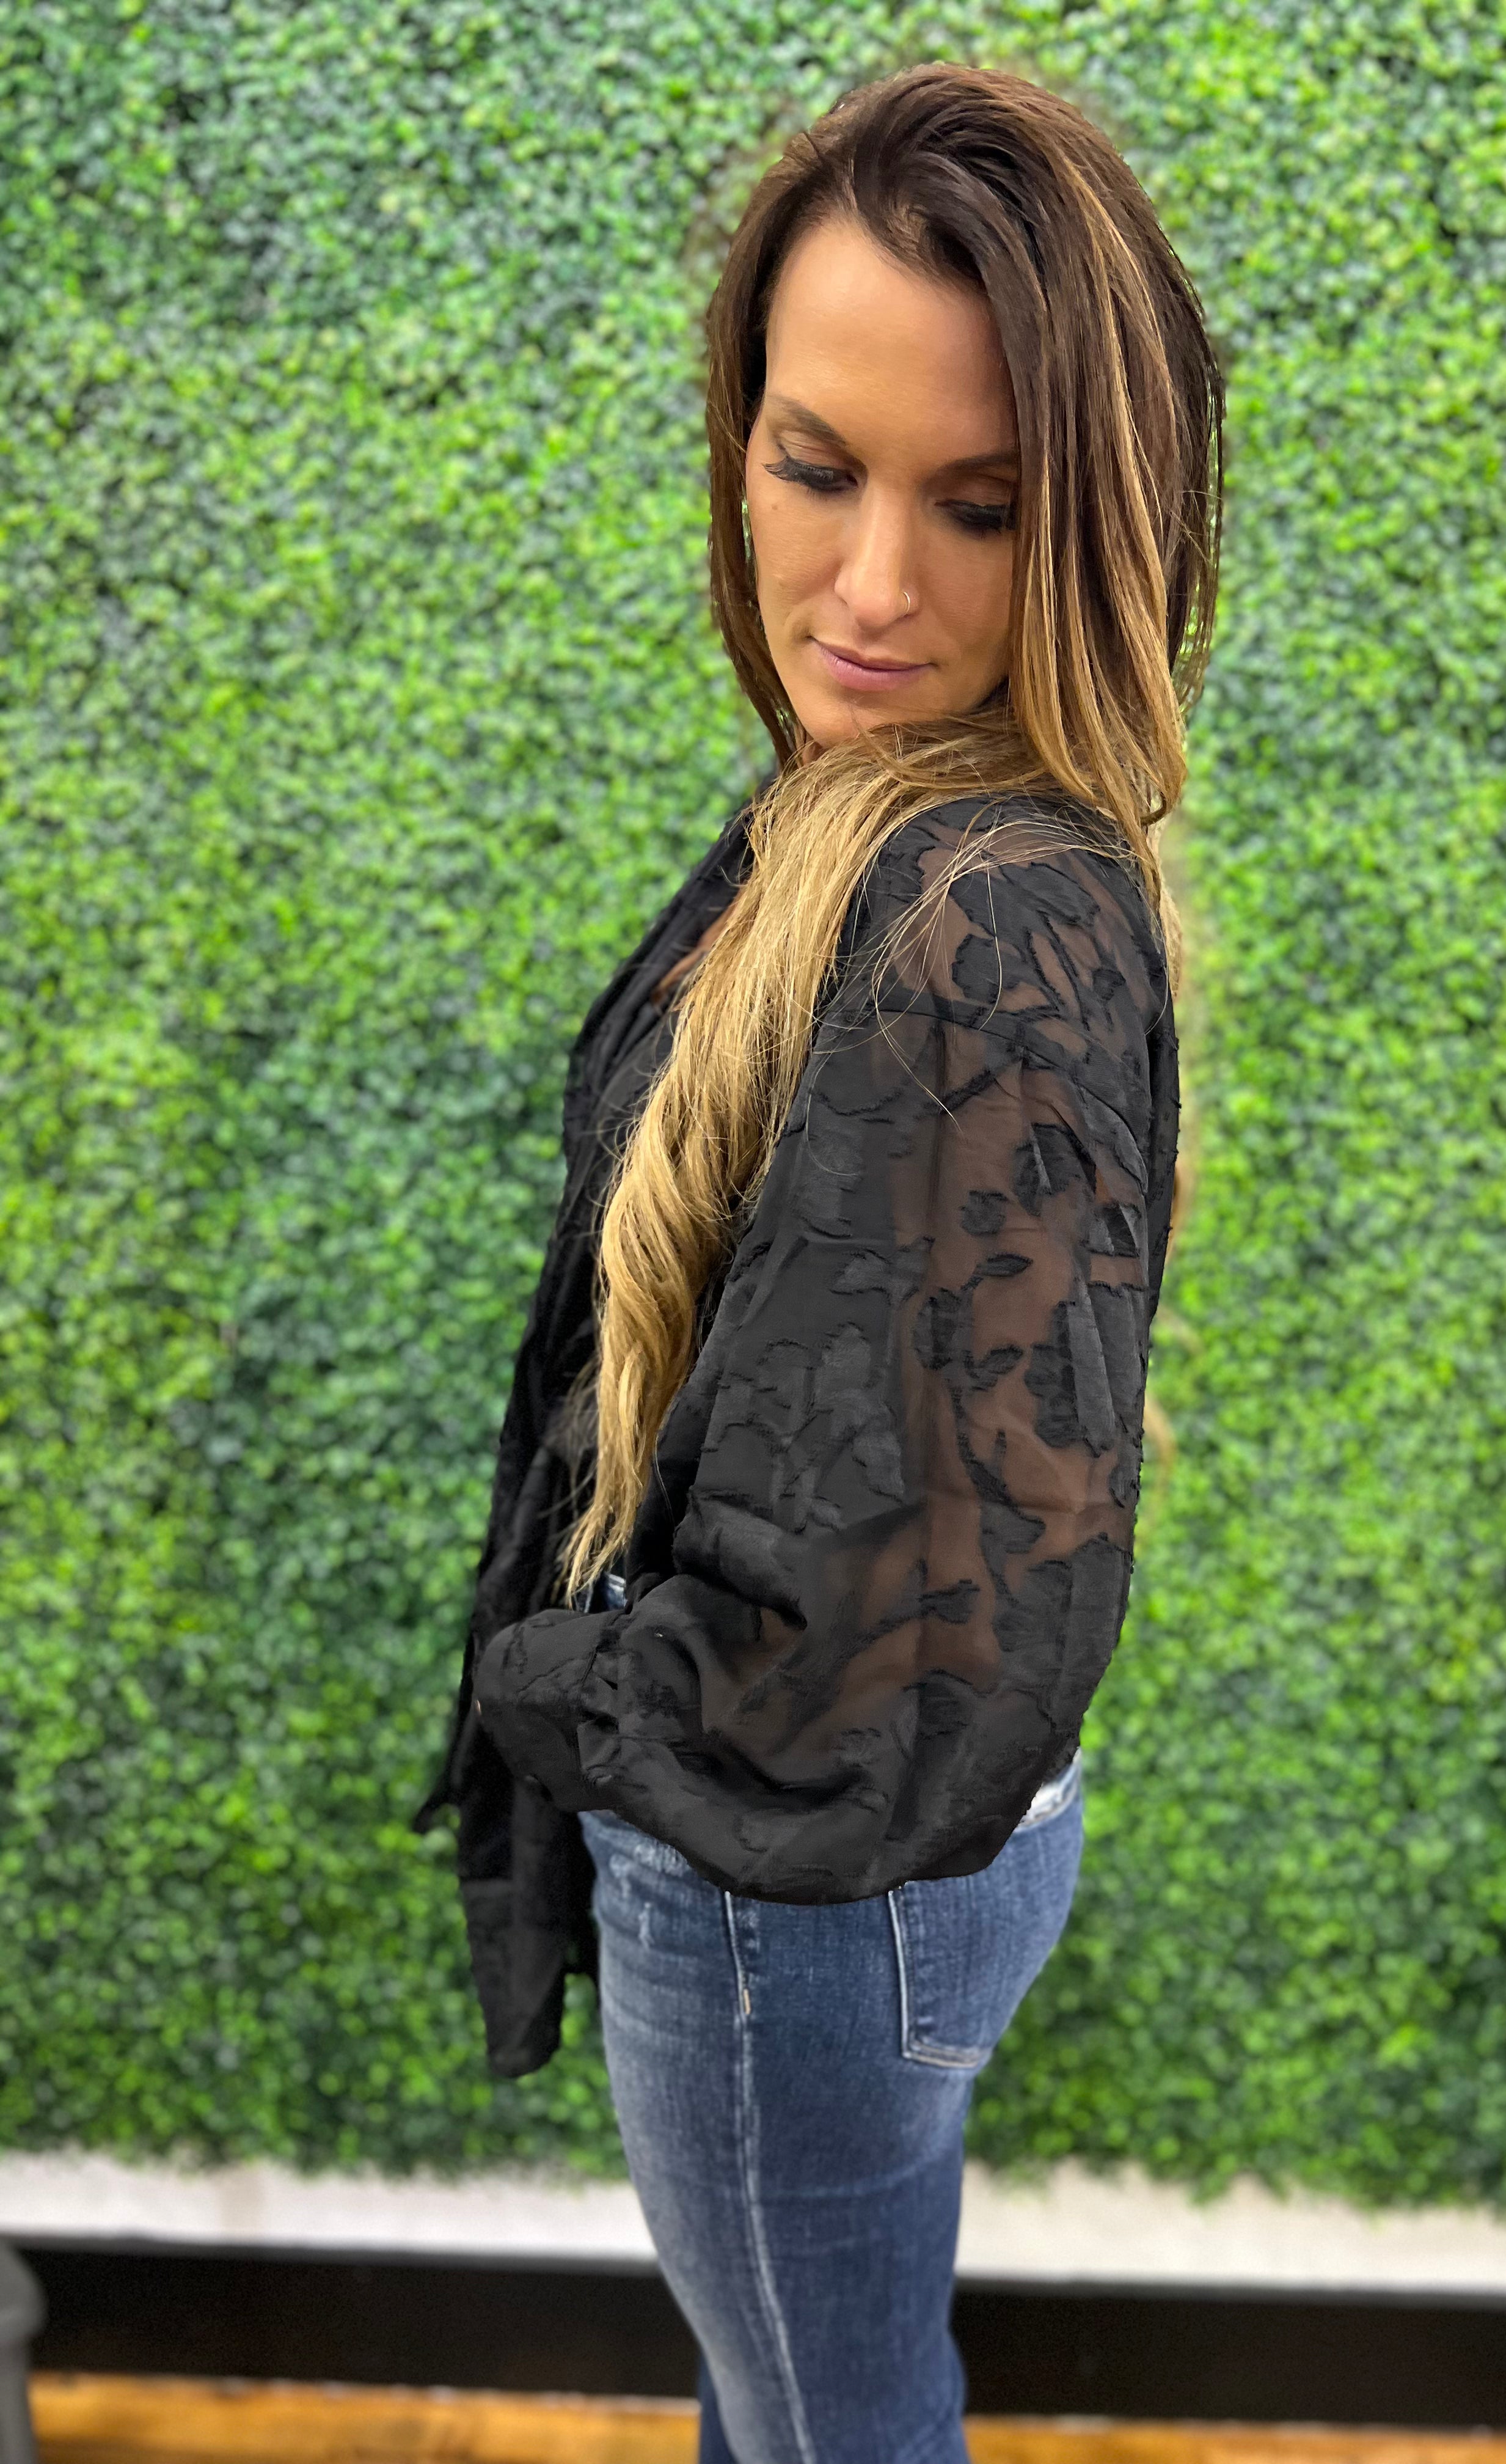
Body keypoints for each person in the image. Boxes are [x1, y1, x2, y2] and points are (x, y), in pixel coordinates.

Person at [417, 60, 1222, 2464]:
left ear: (1101, 518)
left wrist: (580, 1691)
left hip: (795, 1907)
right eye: (813, 465)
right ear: (736, 442)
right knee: (797, 2403)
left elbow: (931, 1626)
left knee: (833, 2427)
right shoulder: (883, 816)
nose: (870, 590)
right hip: (843, 1892)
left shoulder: (982, 928)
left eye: (981, 506)